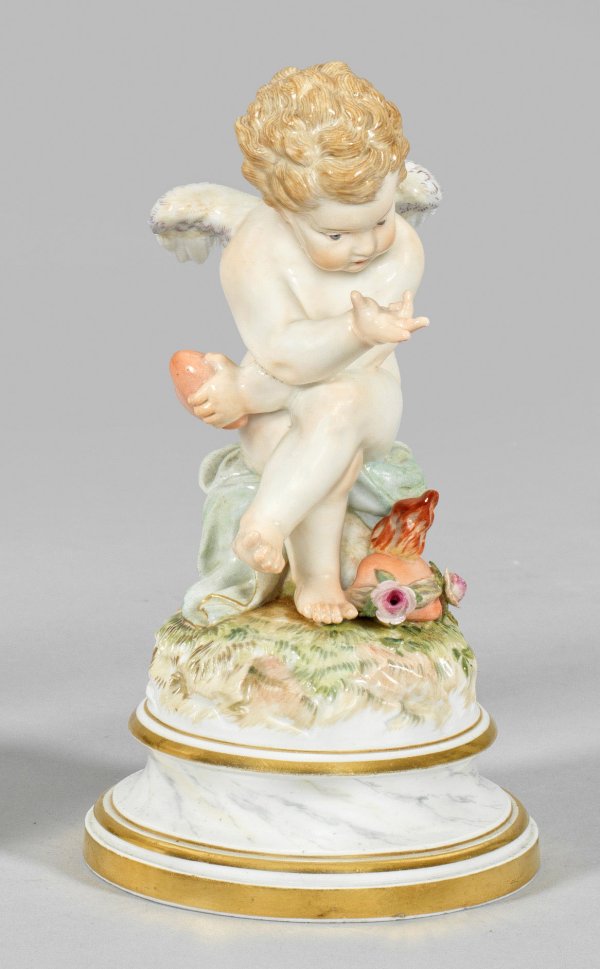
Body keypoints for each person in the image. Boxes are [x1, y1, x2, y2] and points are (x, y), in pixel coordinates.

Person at [163, 63, 430, 624]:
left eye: (380, 219)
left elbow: (357, 363)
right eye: (335, 233)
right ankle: (314, 577)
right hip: (280, 392)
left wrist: (244, 392)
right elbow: (283, 353)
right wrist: (258, 392)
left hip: (368, 394)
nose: (367, 246)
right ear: (284, 212)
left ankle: (267, 522)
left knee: (338, 402)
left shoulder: (401, 250)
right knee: (312, 445)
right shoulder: (255, 251)